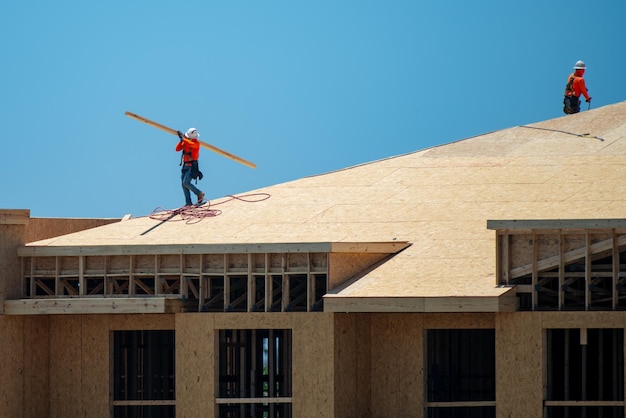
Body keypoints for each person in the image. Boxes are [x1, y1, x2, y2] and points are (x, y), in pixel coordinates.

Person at [175, 128, 205, 206]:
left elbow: (189, 144)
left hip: (191, 167)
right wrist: (181, 140)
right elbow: (177, 149)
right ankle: (188, 203)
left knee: (186, 183)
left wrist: (183, 138)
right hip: (185, 166)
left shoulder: (196, 144)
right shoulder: (186, 142)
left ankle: (199, 193)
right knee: (183, 184)